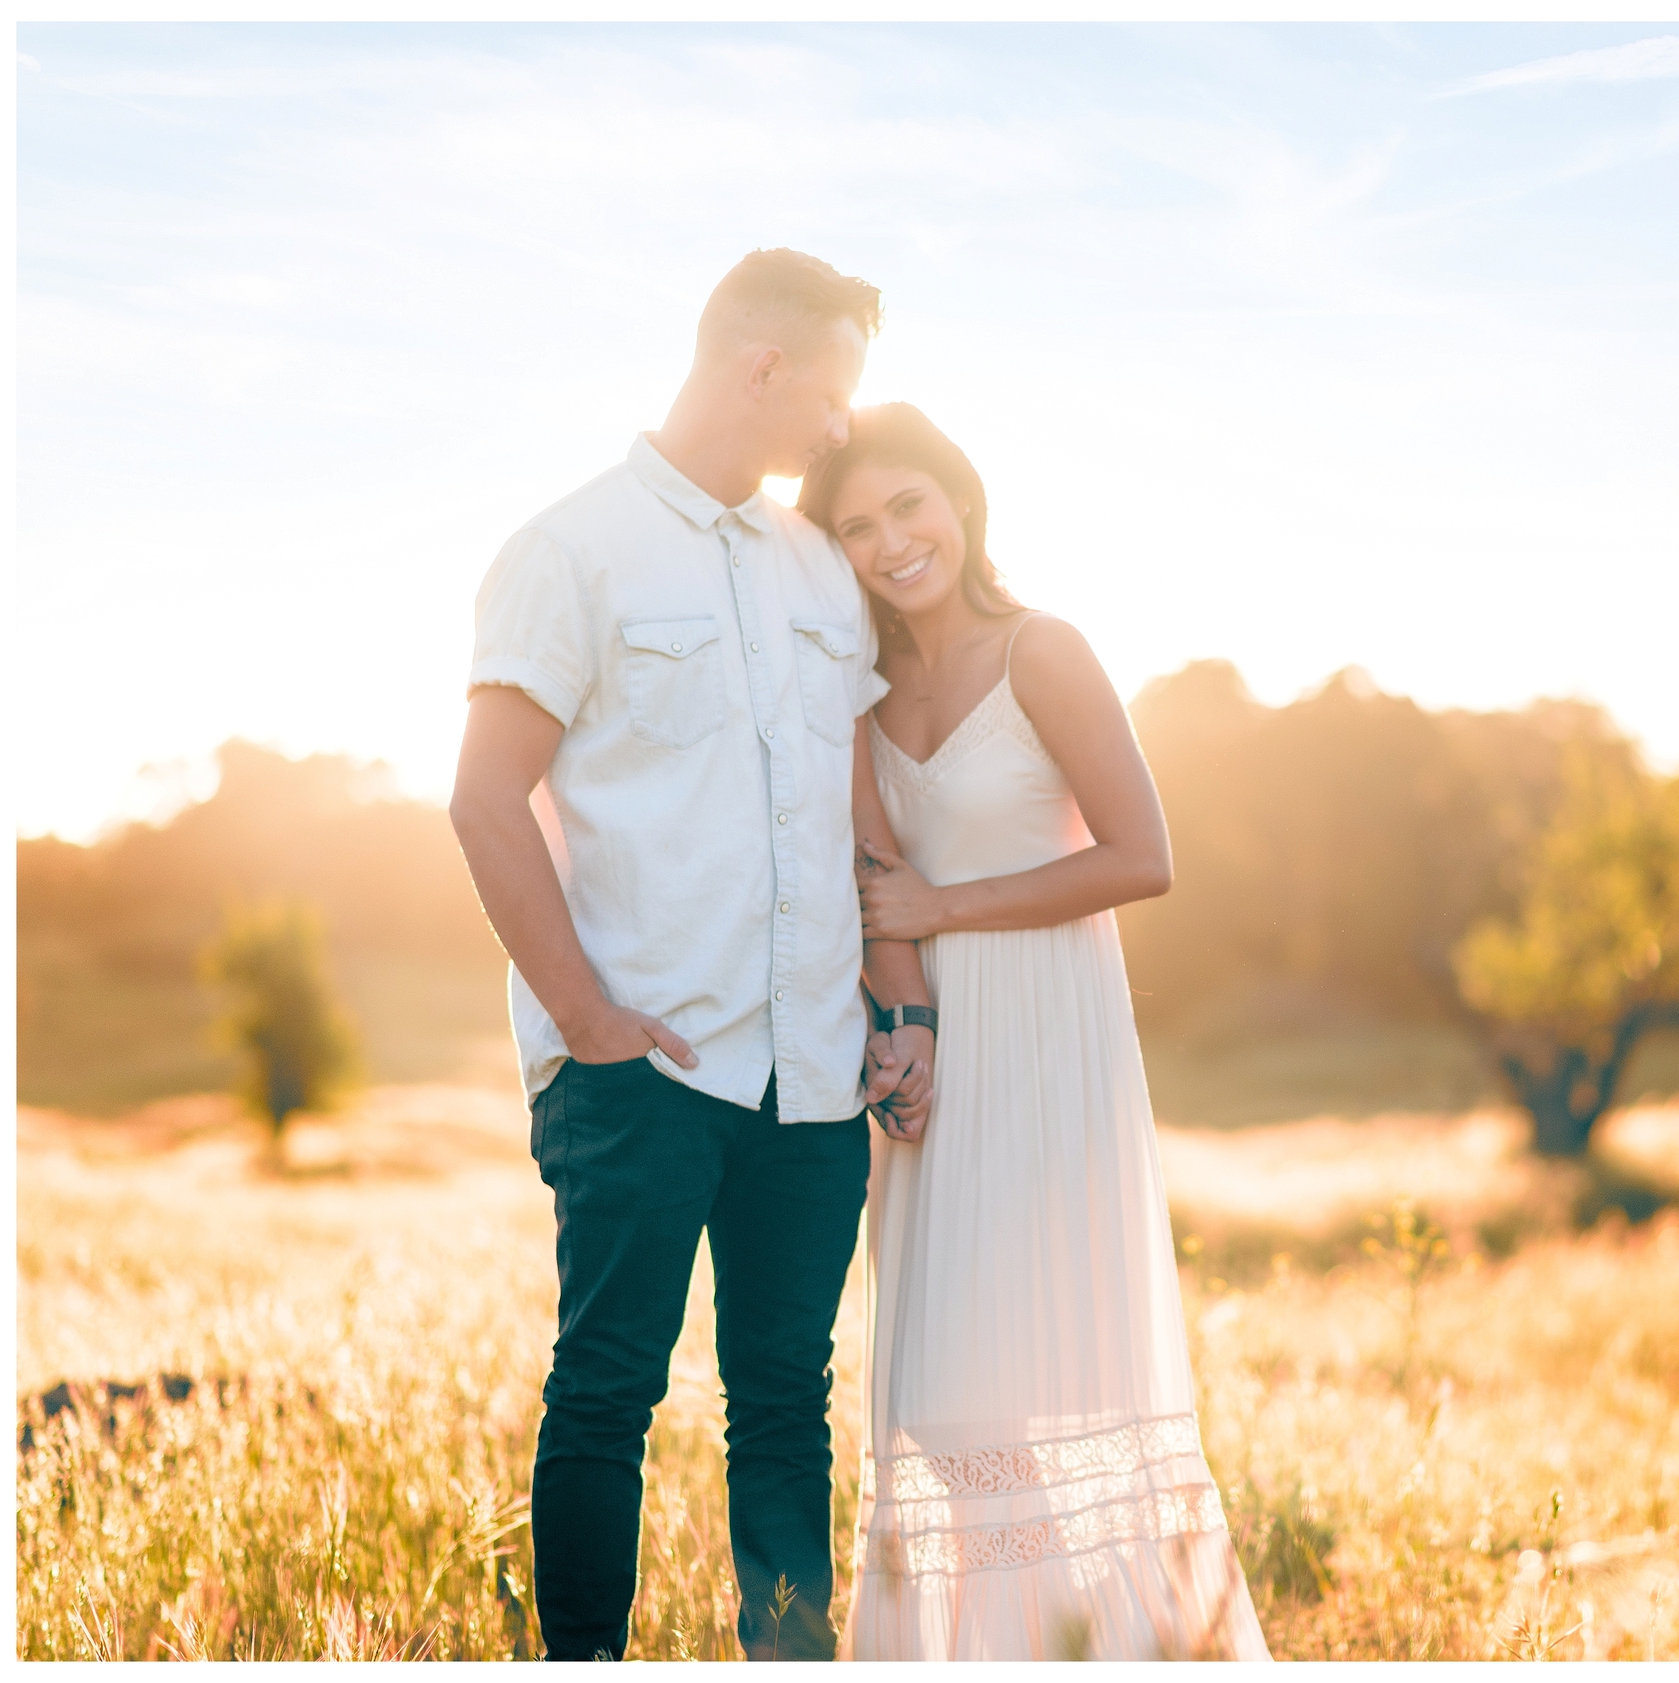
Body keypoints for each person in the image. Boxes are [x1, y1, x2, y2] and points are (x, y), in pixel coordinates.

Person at [449, 249, 934, 1661]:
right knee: (606, 1387)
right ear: (761, 368)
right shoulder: (570, 551)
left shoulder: (815, 571)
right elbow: (484, 799)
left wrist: (897, 1008)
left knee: (784, 1396)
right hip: (641, 1067)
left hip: (812, 1078)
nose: (841, 428)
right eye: (831, 394)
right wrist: (586, 1014)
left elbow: (858, 814)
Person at [801, 404, 1269, 1660]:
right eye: (855, 527)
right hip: (939, 1063)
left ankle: (1087, 1644)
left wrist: (945, 909)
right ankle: (1054, 1640)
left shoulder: (1041, 650)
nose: (892, 541)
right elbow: (870, 872)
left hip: (1050, 1043)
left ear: (961, 504)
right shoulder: (859, 690)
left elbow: (1143, 858)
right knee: (944, 1409)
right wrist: (903, 1024)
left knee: (1007, 1388)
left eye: (909, 506)